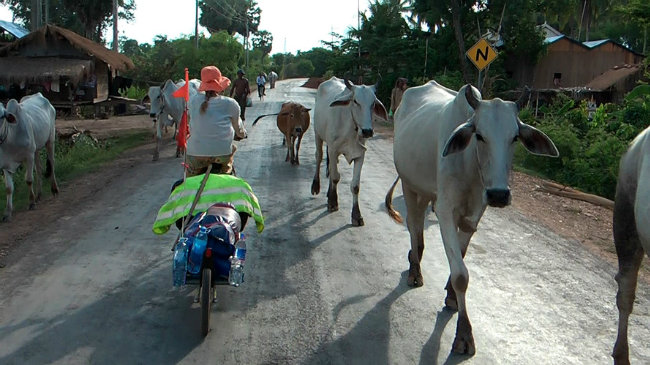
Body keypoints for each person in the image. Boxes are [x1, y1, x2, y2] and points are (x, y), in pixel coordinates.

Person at [186, 65, 247, 176]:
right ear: (220, 86)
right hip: (222, 154)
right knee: (228, 178)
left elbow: (189, 121)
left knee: (189, 182)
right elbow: (239, 129)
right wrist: (242, 134)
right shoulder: (230, 103)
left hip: (196, 155)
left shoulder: (193, 100)